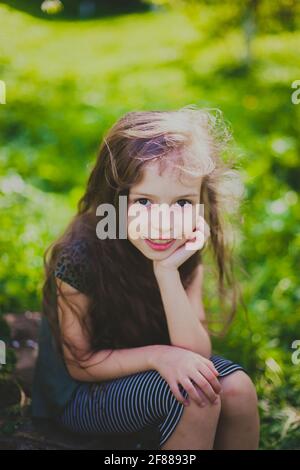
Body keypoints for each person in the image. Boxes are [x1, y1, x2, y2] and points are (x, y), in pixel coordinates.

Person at [31, 105, 260, 450]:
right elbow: (81, 365)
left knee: (238, 389)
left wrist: (167, 271)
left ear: (201, 201)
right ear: (117, 199)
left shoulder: (185, 245)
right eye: (144, 201)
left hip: (154, 373)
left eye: (182, 202)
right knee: (195, 395)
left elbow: (196, 351)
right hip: (81, 396)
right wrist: (159, 356)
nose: (164, 220)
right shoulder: (81, 257)